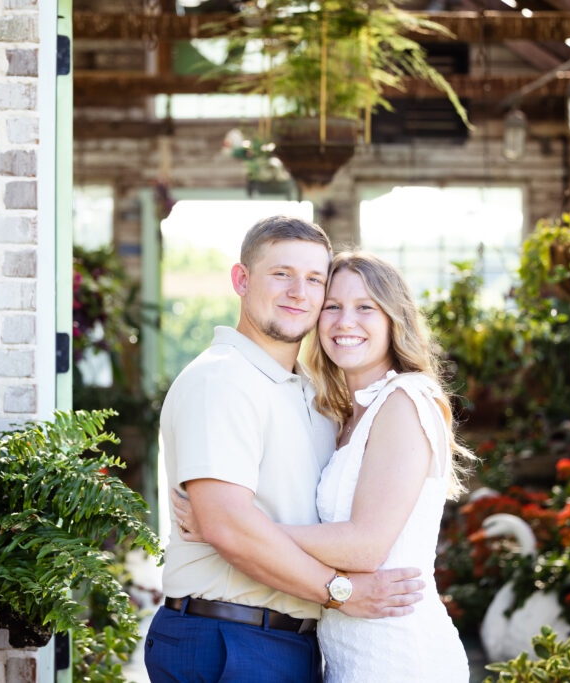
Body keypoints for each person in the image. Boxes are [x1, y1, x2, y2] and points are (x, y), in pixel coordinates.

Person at [145, 218, 426, 683]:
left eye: (315, 280)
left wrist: (235, 527)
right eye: (282, 274)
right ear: (241, 280)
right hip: (227, 638)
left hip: (286, 642)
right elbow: (228, 526)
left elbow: (244, 524)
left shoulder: (313, 393)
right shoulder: (223, 379)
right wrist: (341, 592)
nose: (299, 292)